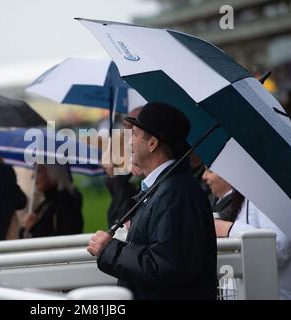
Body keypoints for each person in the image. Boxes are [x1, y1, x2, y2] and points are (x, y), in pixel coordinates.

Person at [87, 102, 217, 300]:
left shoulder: (174, 194)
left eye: (135, 134)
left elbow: (165, 266)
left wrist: (109, 250)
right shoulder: (165, 189)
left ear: (152, 143)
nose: (129, 141)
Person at [202, 168, 291, 300]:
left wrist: (229, 229)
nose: (204, 176)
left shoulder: (269, 189)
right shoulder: (248, 194)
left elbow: (279, 247)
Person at [103, 107, 143, 228]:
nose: (127, 132)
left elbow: (128, 210)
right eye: (125, 126)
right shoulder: (121, 153)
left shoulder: (143, 163)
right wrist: (113, 173)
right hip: (117, 223)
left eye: (132, 127)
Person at [20, 164, 83, 238]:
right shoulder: (47, 202)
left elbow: (65, 238)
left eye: (39, 171)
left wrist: (34, 226)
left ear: (53, 173)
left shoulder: (67, 204)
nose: (33, 176)